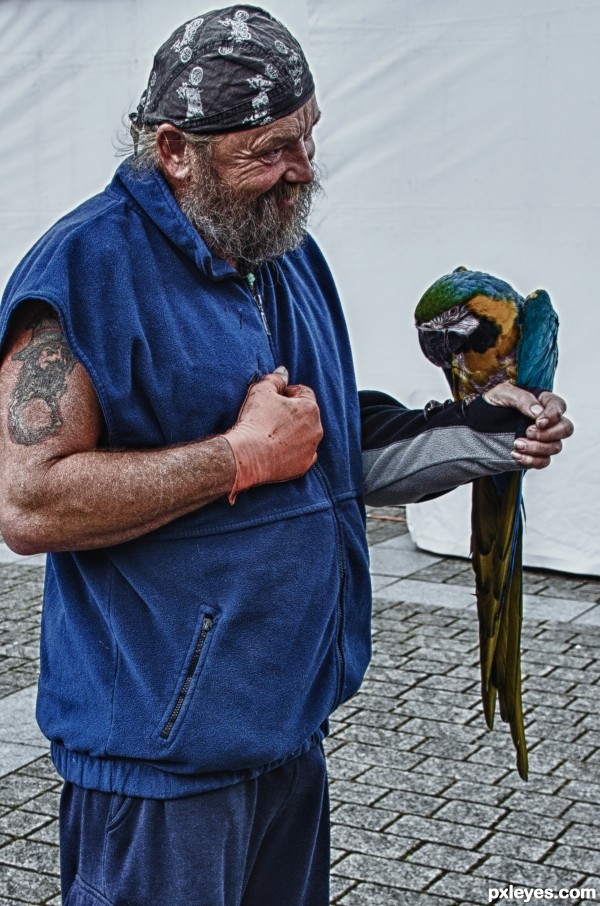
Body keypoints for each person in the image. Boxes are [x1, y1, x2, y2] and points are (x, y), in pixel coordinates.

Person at [0, 7, 572, 906]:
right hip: (158, 772)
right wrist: (236, 457)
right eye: (270, 149)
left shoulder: (286, 251)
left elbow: (330, 449)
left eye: (308, 138)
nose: (302, 170)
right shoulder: (84, 272)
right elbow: (28, 502)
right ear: (176, 148)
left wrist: (491, 430)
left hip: (287, 735)